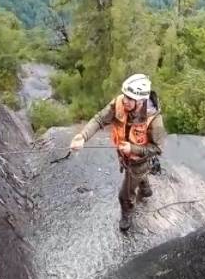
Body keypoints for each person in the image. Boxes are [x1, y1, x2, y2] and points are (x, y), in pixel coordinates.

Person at [70, 73, 166, 231]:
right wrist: (82, 136)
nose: (125, 100)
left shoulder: (155, 120)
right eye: (125, 96)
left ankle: (127, 213)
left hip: (139, 161)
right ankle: (145, 188)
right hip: (125, 156)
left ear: (141, 101)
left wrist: (133, 148)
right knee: (138, 176)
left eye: (130, 98)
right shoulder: (119, 103)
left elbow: (158, 148)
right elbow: (100, 119)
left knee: (125, 194)